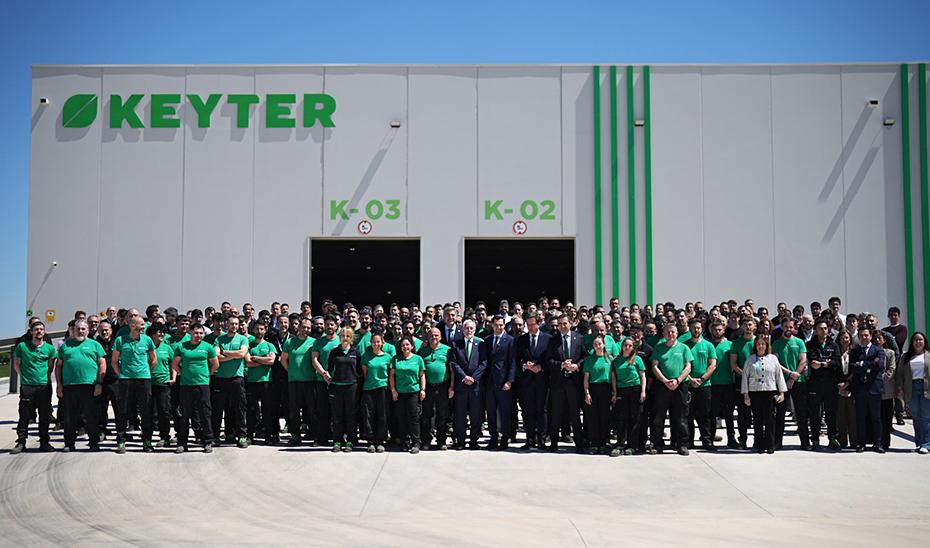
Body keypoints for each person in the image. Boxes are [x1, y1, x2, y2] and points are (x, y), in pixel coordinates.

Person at [56, 320, 106, 452]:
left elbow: (102, 364)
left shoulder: (95, 345)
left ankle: (93, 443)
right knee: (69, 417)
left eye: (84, 329)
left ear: (88, 330)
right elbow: (59, 366)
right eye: (78, 329)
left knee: (91, 416)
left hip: (90, 385)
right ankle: (69, 444)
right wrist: (59, 385)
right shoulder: (65, 346)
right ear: (74, 330)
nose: (81, 331)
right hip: (69, 386)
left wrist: (99, 383)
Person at [111, 316, 157, 453]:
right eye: (141, 325)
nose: (144, 327)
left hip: (144, 380)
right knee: (123, 411)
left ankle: (147, 441)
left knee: (146, 411)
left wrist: (146, 372)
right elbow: (114, 361)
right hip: (126, 380)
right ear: (132, 325)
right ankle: (120, 441)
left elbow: (154, 360)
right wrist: (121, 374)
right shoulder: (120, 340)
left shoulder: (147, 340)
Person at [11, 321, 58, 454]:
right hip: (27, 386)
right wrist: (25, 377)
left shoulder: (49, 348)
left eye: (41, 329)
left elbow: (50, 367)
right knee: (24, 415)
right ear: (31, 331)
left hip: (44, 386)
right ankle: (21, 442)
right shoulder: (22, 346)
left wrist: (44, 378)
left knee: (44, 416)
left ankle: (44, 442)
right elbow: (16, 364)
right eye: (36, 329)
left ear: (44, 332)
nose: (39, 332)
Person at [171, 324, 219, 453]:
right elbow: (175, 364)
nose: (198, 336)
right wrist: (182, 373)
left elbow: (215, 364)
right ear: (190, 333)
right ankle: (182, 443)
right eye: (196, 333)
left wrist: (207, 374)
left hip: (202, 385)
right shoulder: (182, 347)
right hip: (186, 386)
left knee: (205, 414)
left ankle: (208, 441)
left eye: (201, 333)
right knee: (184, 415)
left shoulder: (208, 347)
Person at [650, 323, 693, 456]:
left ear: (677, 334)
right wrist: (665, 381)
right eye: (667, 332)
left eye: (673, 332)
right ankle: (657, 444)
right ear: (663, 334)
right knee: (658, 417)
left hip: (680, 385)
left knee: (680, 417)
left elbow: (688, 367)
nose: (670, 334)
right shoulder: (658, 348)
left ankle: (682, 444)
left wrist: (678, 380)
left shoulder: (684, 348)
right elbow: (654, 366)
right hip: (662, 386)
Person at [545, 315, 586, 453]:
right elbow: (548, 361)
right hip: (558, 383)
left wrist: (577, 366)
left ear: (571, 323)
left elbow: (585, 356)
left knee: (575, 414)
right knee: (556, 413)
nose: (562, 326)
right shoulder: (553, 340)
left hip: (574, 382)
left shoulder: (579, 338)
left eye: (565, 323)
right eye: (560, 324)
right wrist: (561, 365)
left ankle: (579, 444)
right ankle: (554, 444)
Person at [741, 335, 786, 453]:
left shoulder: (773, 359)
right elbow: (745, 377)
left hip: (769, 392)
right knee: (757, 420)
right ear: (755, 346)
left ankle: (770, 445)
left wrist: (782, 392)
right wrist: (746, 394)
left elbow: (779, 376)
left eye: (763, 344)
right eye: (758, 344)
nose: (761, 346)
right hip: (755, 392)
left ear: (766, 346)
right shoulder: (750, 359)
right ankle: (760, 445)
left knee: (770, 420)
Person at [772, 317, 810, 450]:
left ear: (794, 328)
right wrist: (789, 374)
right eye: (786, 327)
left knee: (801, 413)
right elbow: (776, 362)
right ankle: (777, 442)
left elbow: (803, 360)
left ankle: (805, 442)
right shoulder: (776, 343)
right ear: (781, 327)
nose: (788, 329)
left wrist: (793, 377)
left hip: (798, 382)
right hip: (782, 382)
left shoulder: (799, 342)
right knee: (780, 413)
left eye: (791, 327)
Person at [515, 314, 551, 450]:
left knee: (542, 411)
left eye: (532, 324)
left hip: (542, 380)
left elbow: (551, 359)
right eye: (528, 325)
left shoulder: (547, 339)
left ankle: (541, 440)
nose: (530, 327)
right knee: (528, 410)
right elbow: (516, 359)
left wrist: (540, 367)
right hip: (527, 382)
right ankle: (529, 439)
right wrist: (524, 365)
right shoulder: (521, 340)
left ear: (539, 324)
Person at [847, 327, 885, 453]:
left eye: (866, 335)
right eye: (862, 335)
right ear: (858, 337)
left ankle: (878, 443)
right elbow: (852, 367)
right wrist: (868, 365)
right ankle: (861, 444)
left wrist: (862, 364)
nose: (864, 338)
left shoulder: (878, 350)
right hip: (860, 389)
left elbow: (879, 366)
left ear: (870, 336)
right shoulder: (855, 351)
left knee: (876, 418)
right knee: (860, 417)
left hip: (874, 388)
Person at [451, 319, 488, 450]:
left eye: (471, 328)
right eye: (466, 328)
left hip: (475, 386)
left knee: (476, 415)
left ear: (475, 329)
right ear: (463, 329)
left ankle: (474, 441)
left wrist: (473, 378)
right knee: (460, 414)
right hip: (461, 385)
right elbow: (454, 363)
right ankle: (461, 441)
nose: (469, 330)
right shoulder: (456, 344)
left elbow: (484, 363)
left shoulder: (481, 344)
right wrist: (464, 377)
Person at [806, 319, 842, 450]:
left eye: (825, 328)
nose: (823, 331)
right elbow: (812, 361)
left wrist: (822, 363)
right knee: (815, 414)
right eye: (820, 328)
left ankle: (833, 438)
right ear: (816, 330)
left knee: (831, 413)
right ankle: (815, 440)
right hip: (815, 385)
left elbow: (837, 363)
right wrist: (827, 362)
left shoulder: (834, 345)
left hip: (830, 385)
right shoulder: (810, 345)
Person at [326, 327, 362, 452]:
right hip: (336, 387)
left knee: (351, 415)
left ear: (351, 338)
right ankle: (337, 441)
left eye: (348, 336)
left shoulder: (356, 352)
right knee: (337, 416)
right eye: (342, 335)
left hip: (352, 387)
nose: (345, 338)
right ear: (339, 337)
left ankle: (351, 441)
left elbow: (359, 371)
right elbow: (330, 369)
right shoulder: (334, 352)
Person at [281, 317, 316, 446]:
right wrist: (290, 371)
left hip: (310, 381)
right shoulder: (290, 342)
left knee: (312, 409)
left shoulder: (314, 342)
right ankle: (295, 435)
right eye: (304, 327)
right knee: (294, 410)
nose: (306, 329)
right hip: (294, 382)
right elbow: (283, 359)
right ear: (299, 327)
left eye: (308, 327)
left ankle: (315, 434)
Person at [483, 315, 516, 449]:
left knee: (504, 411)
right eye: (496, 325)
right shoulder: (487, 340)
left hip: (504, 382)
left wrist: (509, 380)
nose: (498, 327)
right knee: (490, 411)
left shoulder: (510, 340)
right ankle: (493, 437)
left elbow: (512, 362)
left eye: (501, 325)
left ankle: (504, 437)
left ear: (504, 325)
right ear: (492, 325)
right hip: (490, 382)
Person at [418, 327, 454, 450]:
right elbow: (419, 370)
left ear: (440, 337)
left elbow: (452, 370)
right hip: (428, 387)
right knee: (427, 415)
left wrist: (451, 386)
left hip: (443, 386)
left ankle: (441, 441)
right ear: (428, 337)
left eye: (436, 335)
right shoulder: (423, 351)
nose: (434, 338)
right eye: (432, 335)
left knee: (442, 415)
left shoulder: (447, 350)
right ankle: (426, 441)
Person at [390, 336, 427, 454]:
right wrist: (393, 390)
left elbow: (422, 375)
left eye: (407, 345)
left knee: (414, 418)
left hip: (413, 392)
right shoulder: (396, 359)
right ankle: (405, 441)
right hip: (400, 393)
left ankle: (416, 442)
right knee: (401, 418)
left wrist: (423, 389)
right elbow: (392, 376)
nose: (405, 347)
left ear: (411, 346)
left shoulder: (418, 359)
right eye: (403, 345)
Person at [684, 318, 717, 451]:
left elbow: (713, 365)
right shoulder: (684, 346)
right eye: (693, 328)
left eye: (698, 327)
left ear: (702, 328)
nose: (696, 330)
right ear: (690, 328)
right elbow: (682, 365)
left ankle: (707, 441)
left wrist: (702, 379)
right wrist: (691, 379)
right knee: (688, 415)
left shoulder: (708, 345)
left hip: (705, 386)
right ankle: (689, 442)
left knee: (705, 415)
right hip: (688, 385)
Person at [611, 337, 646, 456]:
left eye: (630, 345)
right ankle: (620, 445)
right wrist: (615, 392)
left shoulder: (637, 359)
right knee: (621, 418)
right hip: (622, 390)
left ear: (633, 347)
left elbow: (643, 376)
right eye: (625, 345)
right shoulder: (616, 360)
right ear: (622, 346)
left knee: (634, 418)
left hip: (635, 390)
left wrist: (643, 391)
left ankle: (632, 446)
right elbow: (614, 378)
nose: (627, 347)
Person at [896, 331, 930, 453]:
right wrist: (900, 389)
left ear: (924, 342)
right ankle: (919, 442)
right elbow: (899, 374)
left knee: (925, 417)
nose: (918, 342)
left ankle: (926, 444)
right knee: (916, 417)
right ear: (912, 342)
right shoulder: (906, 357)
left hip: (926, 388)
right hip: (911, 388)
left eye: (920, 339)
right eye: (916, 340)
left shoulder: (928, 355)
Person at [309, 315, 340, 446]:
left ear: (336, 326)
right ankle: (322, 438)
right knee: (322, 410)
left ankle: (337, 438)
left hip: (339, 381)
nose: (329, 327)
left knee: (337, 411)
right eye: (327, 324)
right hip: (322, 380)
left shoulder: (341, 340)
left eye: (332, 324)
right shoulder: (318, 342)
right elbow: (314, 359)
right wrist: (324, 374)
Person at [245, 321, 277, 444]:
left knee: (267, 410)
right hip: (252, 382)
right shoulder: (249, 345)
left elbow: (272, 361)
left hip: (266, 382)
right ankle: (249, 436)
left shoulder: (269, 345)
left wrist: (256, 358)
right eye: (257, 329)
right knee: (251, 410)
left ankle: (268, 436)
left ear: (265, 330)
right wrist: (264, 360)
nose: (259, 331)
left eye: (261, 329)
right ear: (253, 330)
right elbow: (247, 362)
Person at [361, 330, 392, 453]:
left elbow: (390, 375)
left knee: (382, 414)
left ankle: (380, 441)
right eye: (374, 342)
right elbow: (365, 374)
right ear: (371, 343)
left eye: (378, 341)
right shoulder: (366, 356)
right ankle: (370, 441)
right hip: (369, 389)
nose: (376, 344)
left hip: (383, 389)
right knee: (369, 415)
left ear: (382, 343)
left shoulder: (388, 357)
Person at [708, 320, 736, 448]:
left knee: (729, 414)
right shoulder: (708, 345)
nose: (717, 332)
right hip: (712, 384)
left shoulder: (731, 345)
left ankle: (731, 438)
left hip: (728, 383)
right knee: (712, 413)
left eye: (720, 329)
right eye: (715, 330)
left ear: (724, 330)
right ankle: (710, 438)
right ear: (711, 330)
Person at [729, 318, 756, 449]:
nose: (748, 327)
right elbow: (733, 364)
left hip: (758, 382)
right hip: (741, 382)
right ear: (742, 327)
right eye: (745, 325)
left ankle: (758, 439)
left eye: (750, 324)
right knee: (742, 413)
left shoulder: (760, 341)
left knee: (758, 413)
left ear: (755, 326)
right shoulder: (736, 343)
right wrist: (745, 375)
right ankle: (743, 439)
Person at [582, 335, 612, 454]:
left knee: (605, 417)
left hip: (606, 388)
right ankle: (594, 443)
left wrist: (614, 391)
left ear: (604, 344)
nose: (597, 346)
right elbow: (586, 378)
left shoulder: (610, 359)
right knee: (593, 417)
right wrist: (587, 393)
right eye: (595, 344)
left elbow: (613, 377)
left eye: (599, 344)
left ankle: (604, 443)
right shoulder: (589, 359)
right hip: (593, 388)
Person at [148, 324, 175, 448]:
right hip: (148, 383)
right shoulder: (147, 346)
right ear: (152, 334)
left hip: (163, 383)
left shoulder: (167, 348)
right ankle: (147, 437)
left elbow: (173, 364)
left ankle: (165, 437)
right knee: (148, 412)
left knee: (164, 411)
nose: (162, 335)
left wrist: (173, 378)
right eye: (159, 332)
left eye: (163, 332)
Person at [873, 330, 897, 450]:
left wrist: (878, 379)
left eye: (879, 338)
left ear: (884, 340)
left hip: (886, 390)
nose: (877, 340)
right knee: (875, 418)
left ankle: (885, 442)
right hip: (873, 391)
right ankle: (875, 441)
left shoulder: (890, 353)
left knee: (886, 418)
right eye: (875, 338)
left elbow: (891, 370)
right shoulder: (871, 352)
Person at [835, 330, 858, 450]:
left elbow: (856, 370)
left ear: (850, 339)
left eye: (847, 338)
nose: (845, 340)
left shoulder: (854, 353)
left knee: (852, 417)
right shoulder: (835, 353)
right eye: (842, 338)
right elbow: (833, 370)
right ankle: (842, 442)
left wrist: (847, 383)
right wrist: (839, 386)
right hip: (838, 388)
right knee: (841, 417)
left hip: (852, 388)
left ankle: (854, 442)